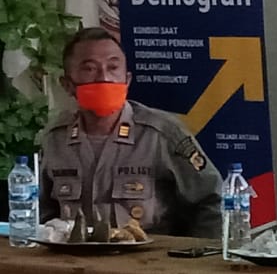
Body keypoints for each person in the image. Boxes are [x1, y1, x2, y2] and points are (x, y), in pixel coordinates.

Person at [39, 27, 222, 237]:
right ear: (67, 85)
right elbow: (44, 215)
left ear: (127, 80)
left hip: (152, 256)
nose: (104, 77)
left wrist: (194, 253)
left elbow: (211, 200)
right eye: (90, 69)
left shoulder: (161, 134)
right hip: (75, 256)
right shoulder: (55, 140)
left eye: (113, 67)